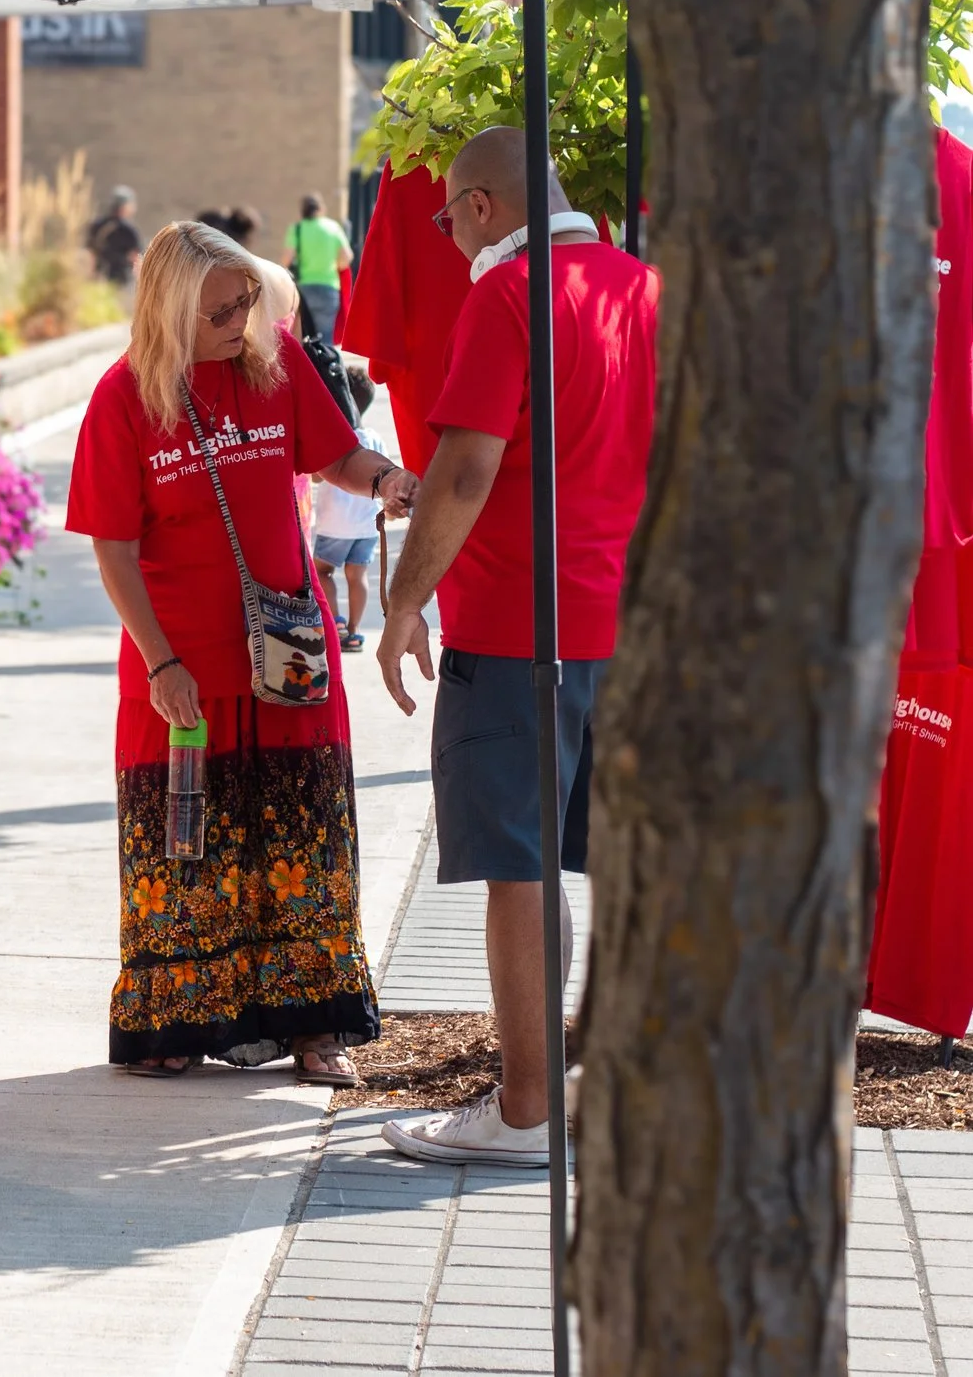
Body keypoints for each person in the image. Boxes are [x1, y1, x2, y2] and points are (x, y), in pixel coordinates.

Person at [65, 221, 416, 1081]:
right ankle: (178, 1023)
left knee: (302, 830)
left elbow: (334, 454)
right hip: (181, 667)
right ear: (171, 309)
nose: (242, 318)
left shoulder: (277, 362)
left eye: (248, 299)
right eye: (221, 309)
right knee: (185, 840)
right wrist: (159, 660)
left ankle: (313, 1026)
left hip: (288, 653)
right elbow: (112, 548)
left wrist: (385, 480)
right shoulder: (124, 398)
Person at [375, 127, 658, 1168]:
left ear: (484, 206)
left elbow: (461, 471)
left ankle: (526, 1109)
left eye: (447, 217)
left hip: (518, 632)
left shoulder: (506, 296)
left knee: (520, 873)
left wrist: (404, 600)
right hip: (628, 622)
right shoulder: (641, 286)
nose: (447, 235)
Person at [312, 367, 384, 654]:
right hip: (366, 525)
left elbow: (318, 475)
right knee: (359, 576)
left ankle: (337, 623)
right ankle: (354, 631)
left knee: (324, 572)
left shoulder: (336, 437)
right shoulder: (374, 436)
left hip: (335, 525)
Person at [284, 193, 355, 343]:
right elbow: (347, 257)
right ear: (321, 208)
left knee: (304, 336)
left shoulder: (297, 229)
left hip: (303, 289)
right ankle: (326, 365)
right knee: (326, 336)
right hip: (328, 287)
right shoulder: (333, 227)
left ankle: (308, 365)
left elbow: (286, 260)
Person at [87, 186, 143, 286]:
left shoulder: (98, 225)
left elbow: (91, 254)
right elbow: (136, 259)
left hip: (98, 280)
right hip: (121, 283)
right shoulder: (128, 230)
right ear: (125, 207)